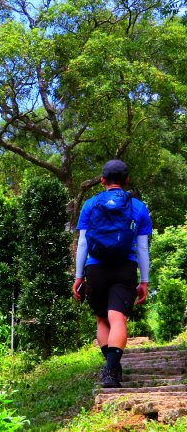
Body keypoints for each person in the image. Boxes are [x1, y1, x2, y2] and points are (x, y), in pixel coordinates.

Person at [72, 160, 152, 388]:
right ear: (126, 181)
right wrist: (144, 281)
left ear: (103, 180)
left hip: (95, 268)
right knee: (118, 318)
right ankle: (111, 369)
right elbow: (142, 247)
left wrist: (79, 277)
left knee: (102, 319)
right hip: (125, 267)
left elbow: (83, 244)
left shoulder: (89, 205)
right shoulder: (138, 206)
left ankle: (110, 368)